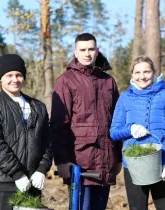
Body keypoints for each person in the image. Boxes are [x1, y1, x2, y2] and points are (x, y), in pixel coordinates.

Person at [50, 33, 122, 210]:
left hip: (106, 161)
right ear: (75, 52)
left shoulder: (108, 81)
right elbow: (58, 124)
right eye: (82, 49)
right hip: (80, 163)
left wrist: (118, 157)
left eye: (91, 49)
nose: (87, 53)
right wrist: (62, 160)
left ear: (97, 51)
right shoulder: (65, 81)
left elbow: (117, 121)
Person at [0, 54, 53, 210]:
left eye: (19, 75)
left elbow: (47, 141)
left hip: (32, 182)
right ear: (0, 78)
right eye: (9, 75)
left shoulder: (38, 107)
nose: (14, 79)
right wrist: (17, 174)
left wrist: (42, 169)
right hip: (2, 183)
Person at [110, 56, 165, 210]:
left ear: (154, 72)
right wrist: (130, 129)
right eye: (137, 72)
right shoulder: (125, 98)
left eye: (147, 72)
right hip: (133, 164)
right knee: (137, 208)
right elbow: (114, 132)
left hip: (161, 161)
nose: (142, 76)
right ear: (132, 75)